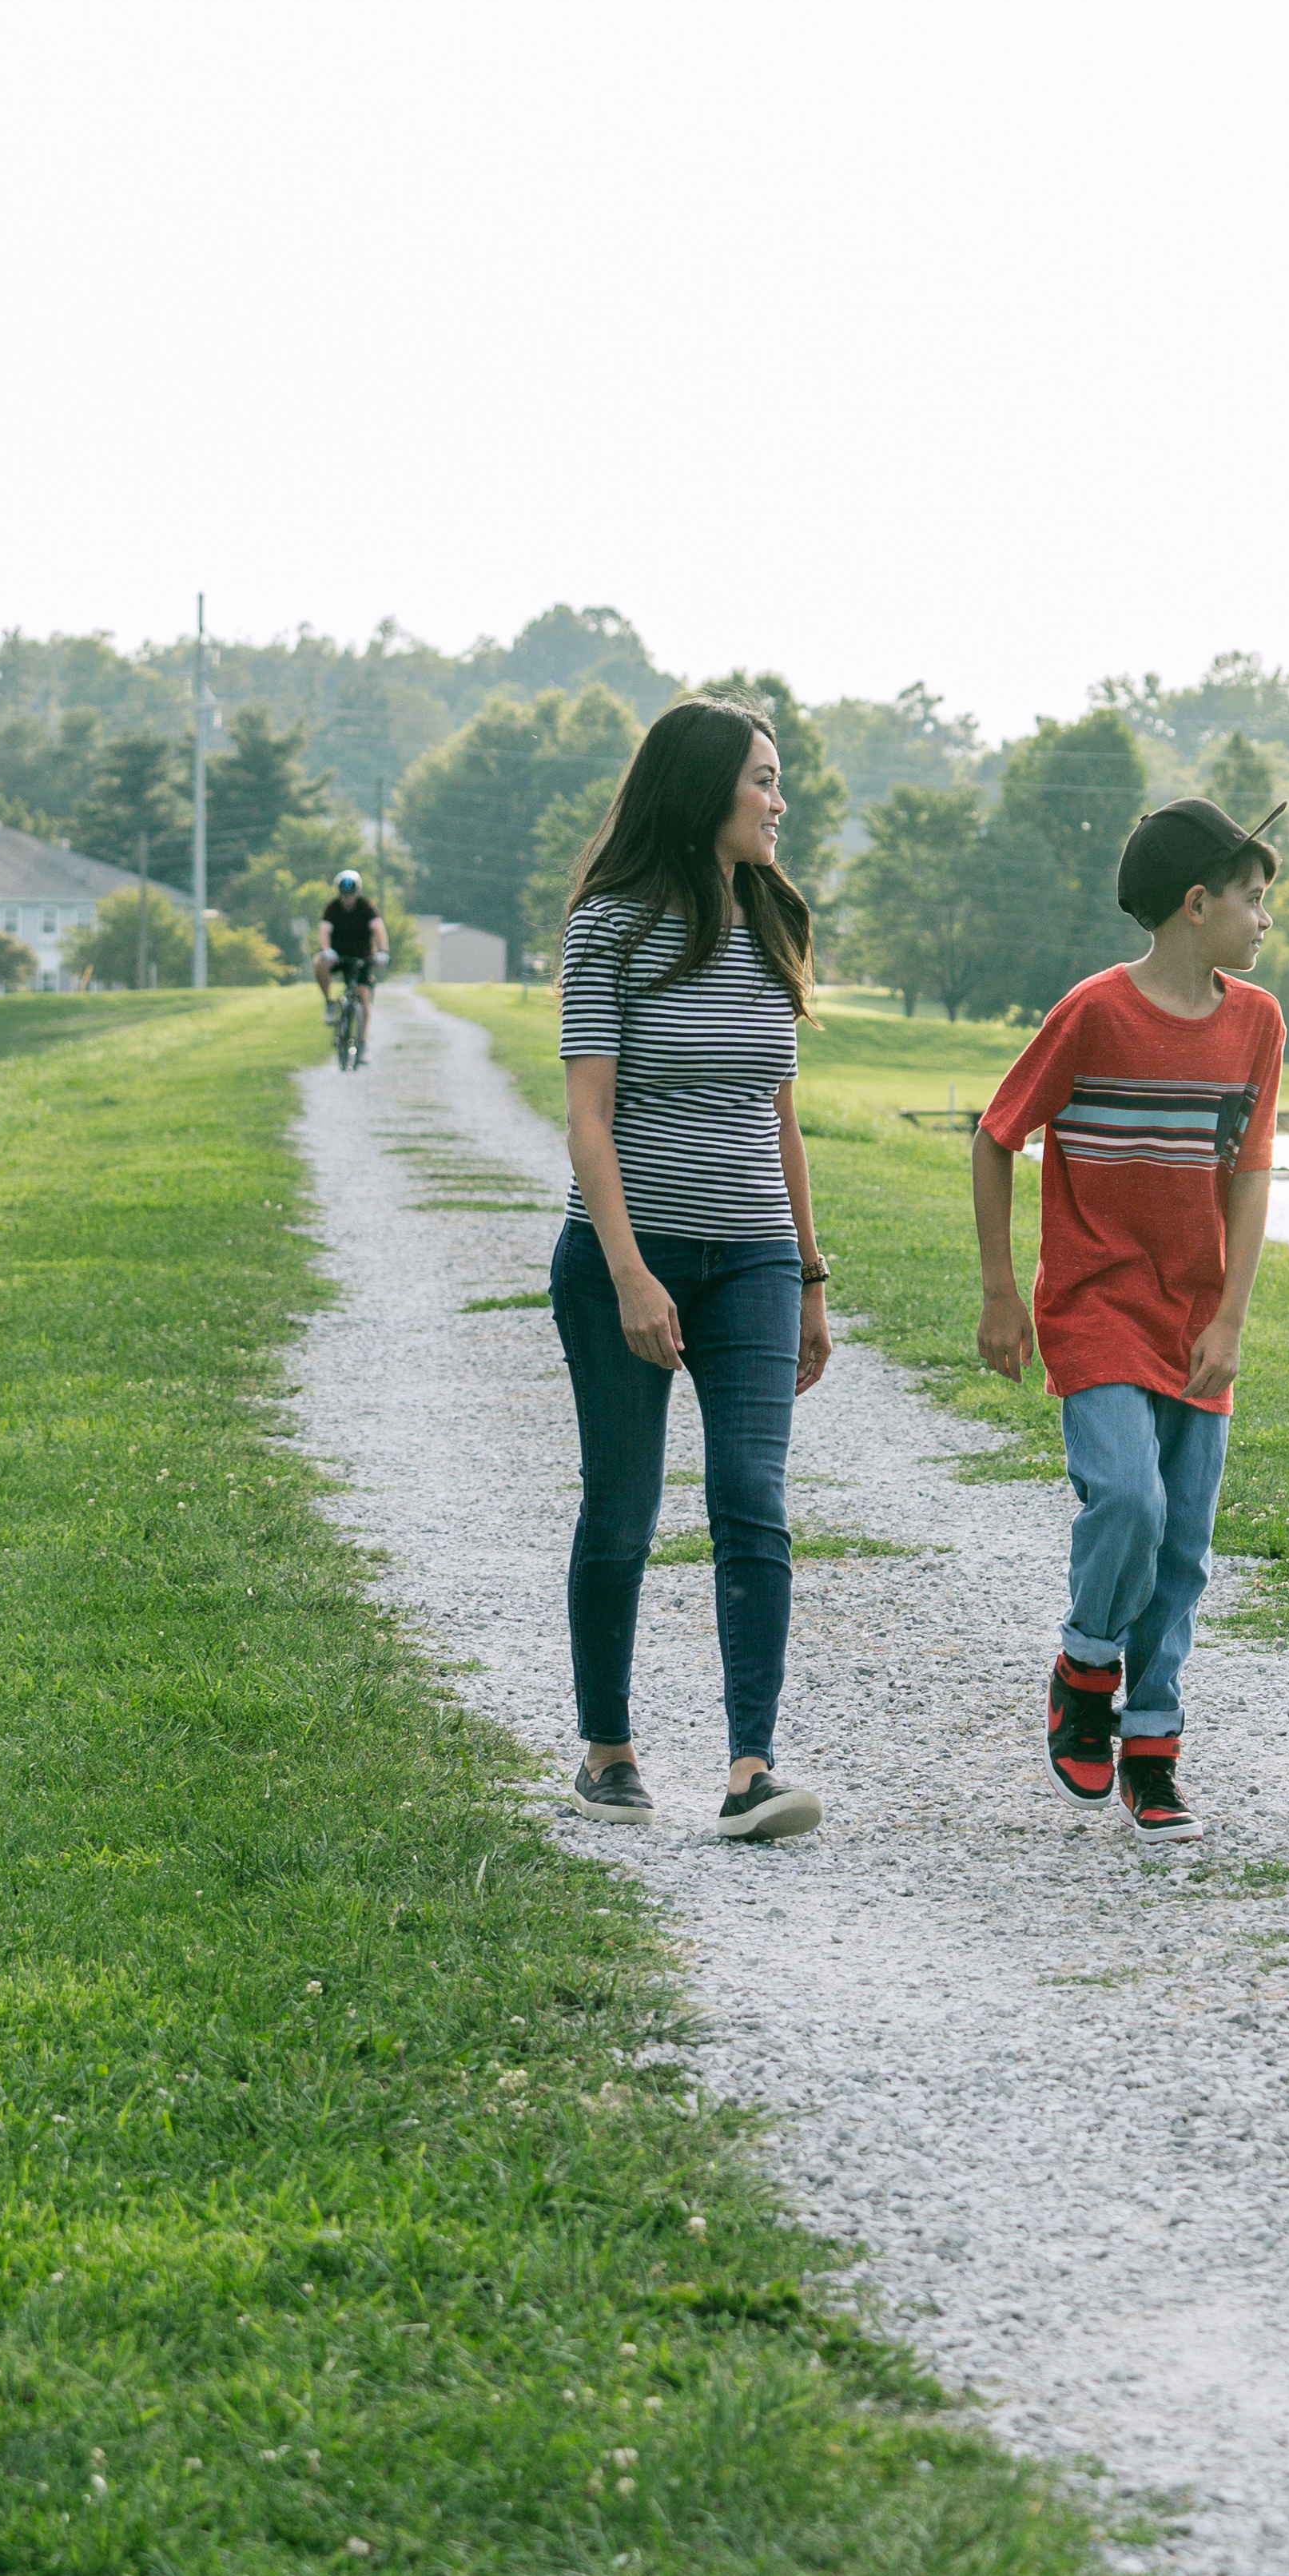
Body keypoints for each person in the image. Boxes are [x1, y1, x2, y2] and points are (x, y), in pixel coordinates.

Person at [547, 700, 833, 1843]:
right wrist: (627, 1272)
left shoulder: (769, 922)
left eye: (779, 782)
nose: (778, 801)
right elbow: (588, 1120)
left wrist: (809, 1277)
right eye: (763, 780)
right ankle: (607, 1751)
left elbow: (781, 1116)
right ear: (705, 787)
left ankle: (749, 1770)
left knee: (752, 1499)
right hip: (626, 1255)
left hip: (756, 1259)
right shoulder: (607, 928)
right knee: (622, 1509)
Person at [973, 796, 1285, 1840]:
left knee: (1186, 1547)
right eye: (1251, 900)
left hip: (1199, 1322)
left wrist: (1232, 1318)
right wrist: (1000, 1293)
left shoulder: (1257, 1024)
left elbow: (1248, 1175)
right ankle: (1085, 1669)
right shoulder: (1095, 1014)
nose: (1264, 920)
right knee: (1131, 1505)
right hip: (1097, 1306)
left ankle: (1153, 1746)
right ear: (1196, 906)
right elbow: (997, 1135)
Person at [319, 869, 384, 1036]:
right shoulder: (332, 908)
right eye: (344, 894)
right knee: (319, 963)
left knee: (363, 997)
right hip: (338, 957)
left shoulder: (366, 907)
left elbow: (378, 928)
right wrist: (326, 950)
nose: (347, 897)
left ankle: (363, 1043)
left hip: (362, 957)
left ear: (357, 892)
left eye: (351, 893)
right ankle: (329, 1003)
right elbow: (324, 929)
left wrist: (383, 951)